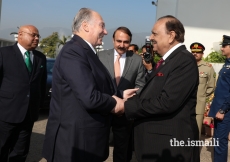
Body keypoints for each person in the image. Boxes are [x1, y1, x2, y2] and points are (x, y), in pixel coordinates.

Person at [42, 8, 137, 162]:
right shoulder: (73, 51)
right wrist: (116, 103)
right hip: (75, 143)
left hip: (86, 141)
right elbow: (89, 96)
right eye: (102, 26)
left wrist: (120, 94)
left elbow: (94, 87)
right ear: (86, 26)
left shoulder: (85, 51)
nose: (105, 32)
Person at [124, 15, 200, 162]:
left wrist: (127, 105)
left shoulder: (184, 60)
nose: (151, 37)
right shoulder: (170, 60)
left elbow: (166, 102)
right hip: (156, 144)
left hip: (167, 147)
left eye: (155, 33)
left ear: (171, 36)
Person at [98, 26, 145, 162]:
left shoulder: (136, 60)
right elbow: (95, 82)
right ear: (113, 40)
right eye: (119, 41)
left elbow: (140, 85)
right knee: (99, 147)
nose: (122, 45)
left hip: (124, 112)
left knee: (122, 150)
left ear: (130, 42)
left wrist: (126, 104)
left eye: (126, 42)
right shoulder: (100, 56)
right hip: (103, 110)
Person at [0, 25, 47, 162]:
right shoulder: (4, 53)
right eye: (33, 35)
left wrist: (38, 105)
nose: (37, 38)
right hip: (5, 114)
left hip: (28, 115)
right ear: (20, 35)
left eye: (38, 36)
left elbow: (41, 85)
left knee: (20, 152)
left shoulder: (40, 57)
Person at [208, 35, 230, 162]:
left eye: (224, 46)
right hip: (220, 109)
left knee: (220, 142)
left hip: (224, 111)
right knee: (217, 140)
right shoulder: (227, 64)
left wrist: (222, 110)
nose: (221, 49)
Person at [190, 42, 216, 139]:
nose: (195, 54)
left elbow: (211, 87)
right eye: (193, 52)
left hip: (198, 105)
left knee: (196, 131)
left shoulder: (208, 68)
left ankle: (195, 152)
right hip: (185, 104)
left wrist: (202, 97)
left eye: (198, 52)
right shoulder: (186, 66)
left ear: (202, 54)